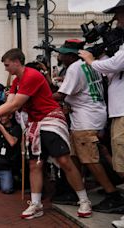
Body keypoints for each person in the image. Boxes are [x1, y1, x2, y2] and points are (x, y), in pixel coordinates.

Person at [0, 48, 92, 219]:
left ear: (16, 62)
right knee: (35, 164)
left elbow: (13, 106)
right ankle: (36, 204)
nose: (5, 68)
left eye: (7, 65)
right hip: (34, 123)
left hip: (51, 118)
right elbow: (10, 102)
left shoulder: (31, 75)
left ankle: (84, 199)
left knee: (64, 160)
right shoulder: (16, 81)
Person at [54, 39, 124, 213]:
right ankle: (78, 192)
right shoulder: (88, 64)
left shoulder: (74, 67)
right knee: (76, 157)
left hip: (86, 119)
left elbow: (61, 95)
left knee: (90, 160)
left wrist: (37, 94)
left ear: (70, 56)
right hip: (94, 114)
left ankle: (112, 194)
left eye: (62, 53)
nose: (60, 56)